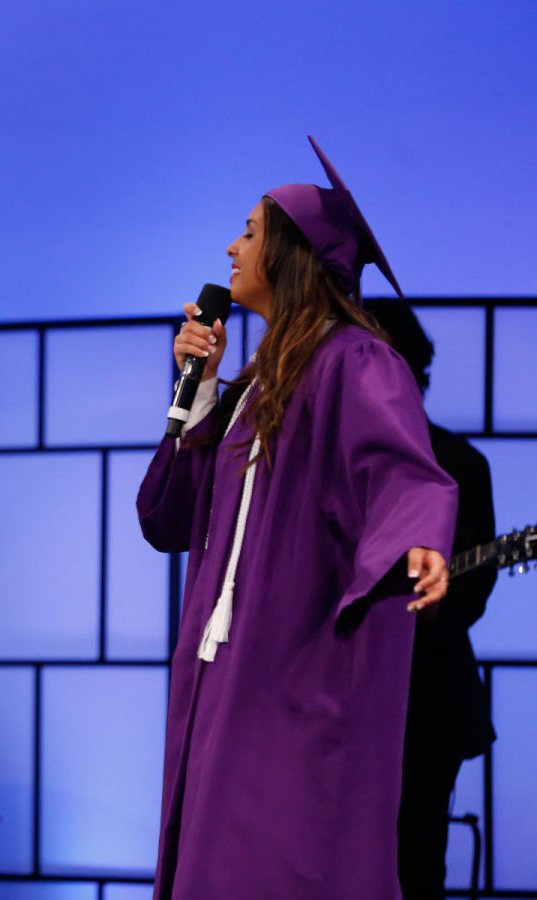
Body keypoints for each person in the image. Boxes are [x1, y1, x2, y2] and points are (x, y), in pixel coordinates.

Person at [136, 137, 458, 899]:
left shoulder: (355, 361)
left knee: (281, 859)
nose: (231, 246)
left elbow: (399, 467)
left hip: (296, 664)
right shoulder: (256, 383)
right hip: (226, 666)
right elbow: (168, 518)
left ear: (292, 254)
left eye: (249, 231)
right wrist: (200, 388)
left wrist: (417, 536)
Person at [363, 298, 497, 900]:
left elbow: (475, 587)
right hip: (335, 694)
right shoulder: (324, 459)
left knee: (416, 866)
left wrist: (432, 602)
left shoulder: (461, 462)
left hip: (425, 698)